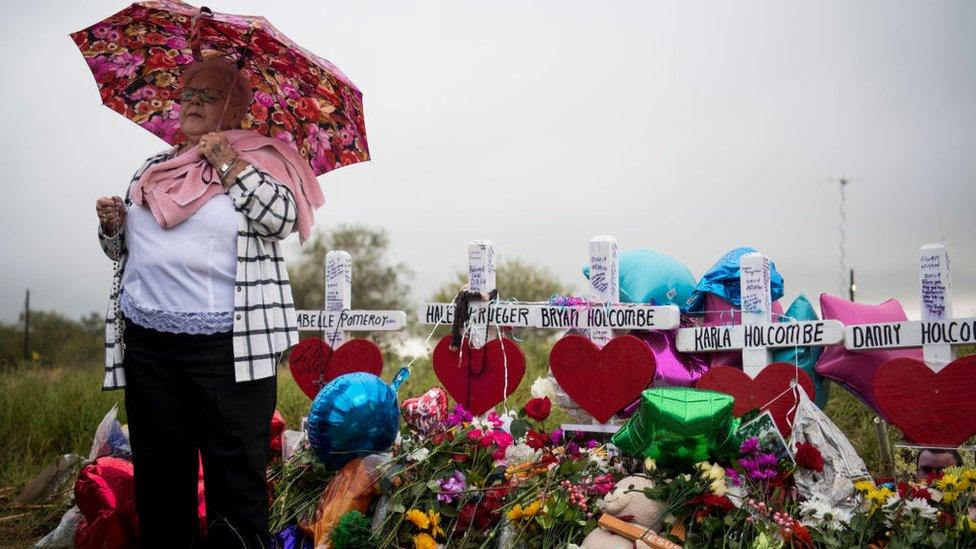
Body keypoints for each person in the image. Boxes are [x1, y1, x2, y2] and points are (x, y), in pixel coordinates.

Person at [94, 56, 322, 548]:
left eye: (207, 96)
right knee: (159, 470)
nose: (192, 103)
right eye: (187, 94)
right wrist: (113, 227)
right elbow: (125, 251)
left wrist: (227, 163)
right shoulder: (156, 166)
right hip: (150, 343)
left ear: (237, 108)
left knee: (235, 471)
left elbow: (280, 218)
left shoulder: (264, 161)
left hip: (228, 345)